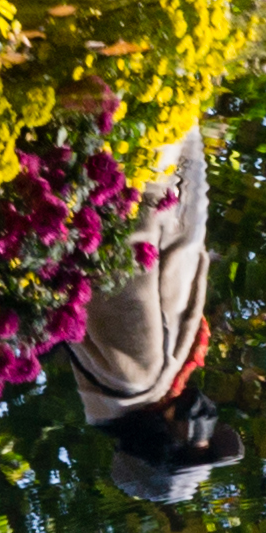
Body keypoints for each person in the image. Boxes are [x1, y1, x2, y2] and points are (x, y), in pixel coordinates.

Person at [69, 128, 246, 504]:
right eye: (207, 442)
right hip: (164, 153)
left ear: (153, 445)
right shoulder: (153, 385)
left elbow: (129, 245)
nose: (202, 433)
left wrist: (164, 147)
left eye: (195, 446)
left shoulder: (134, 377)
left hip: (142, 153)